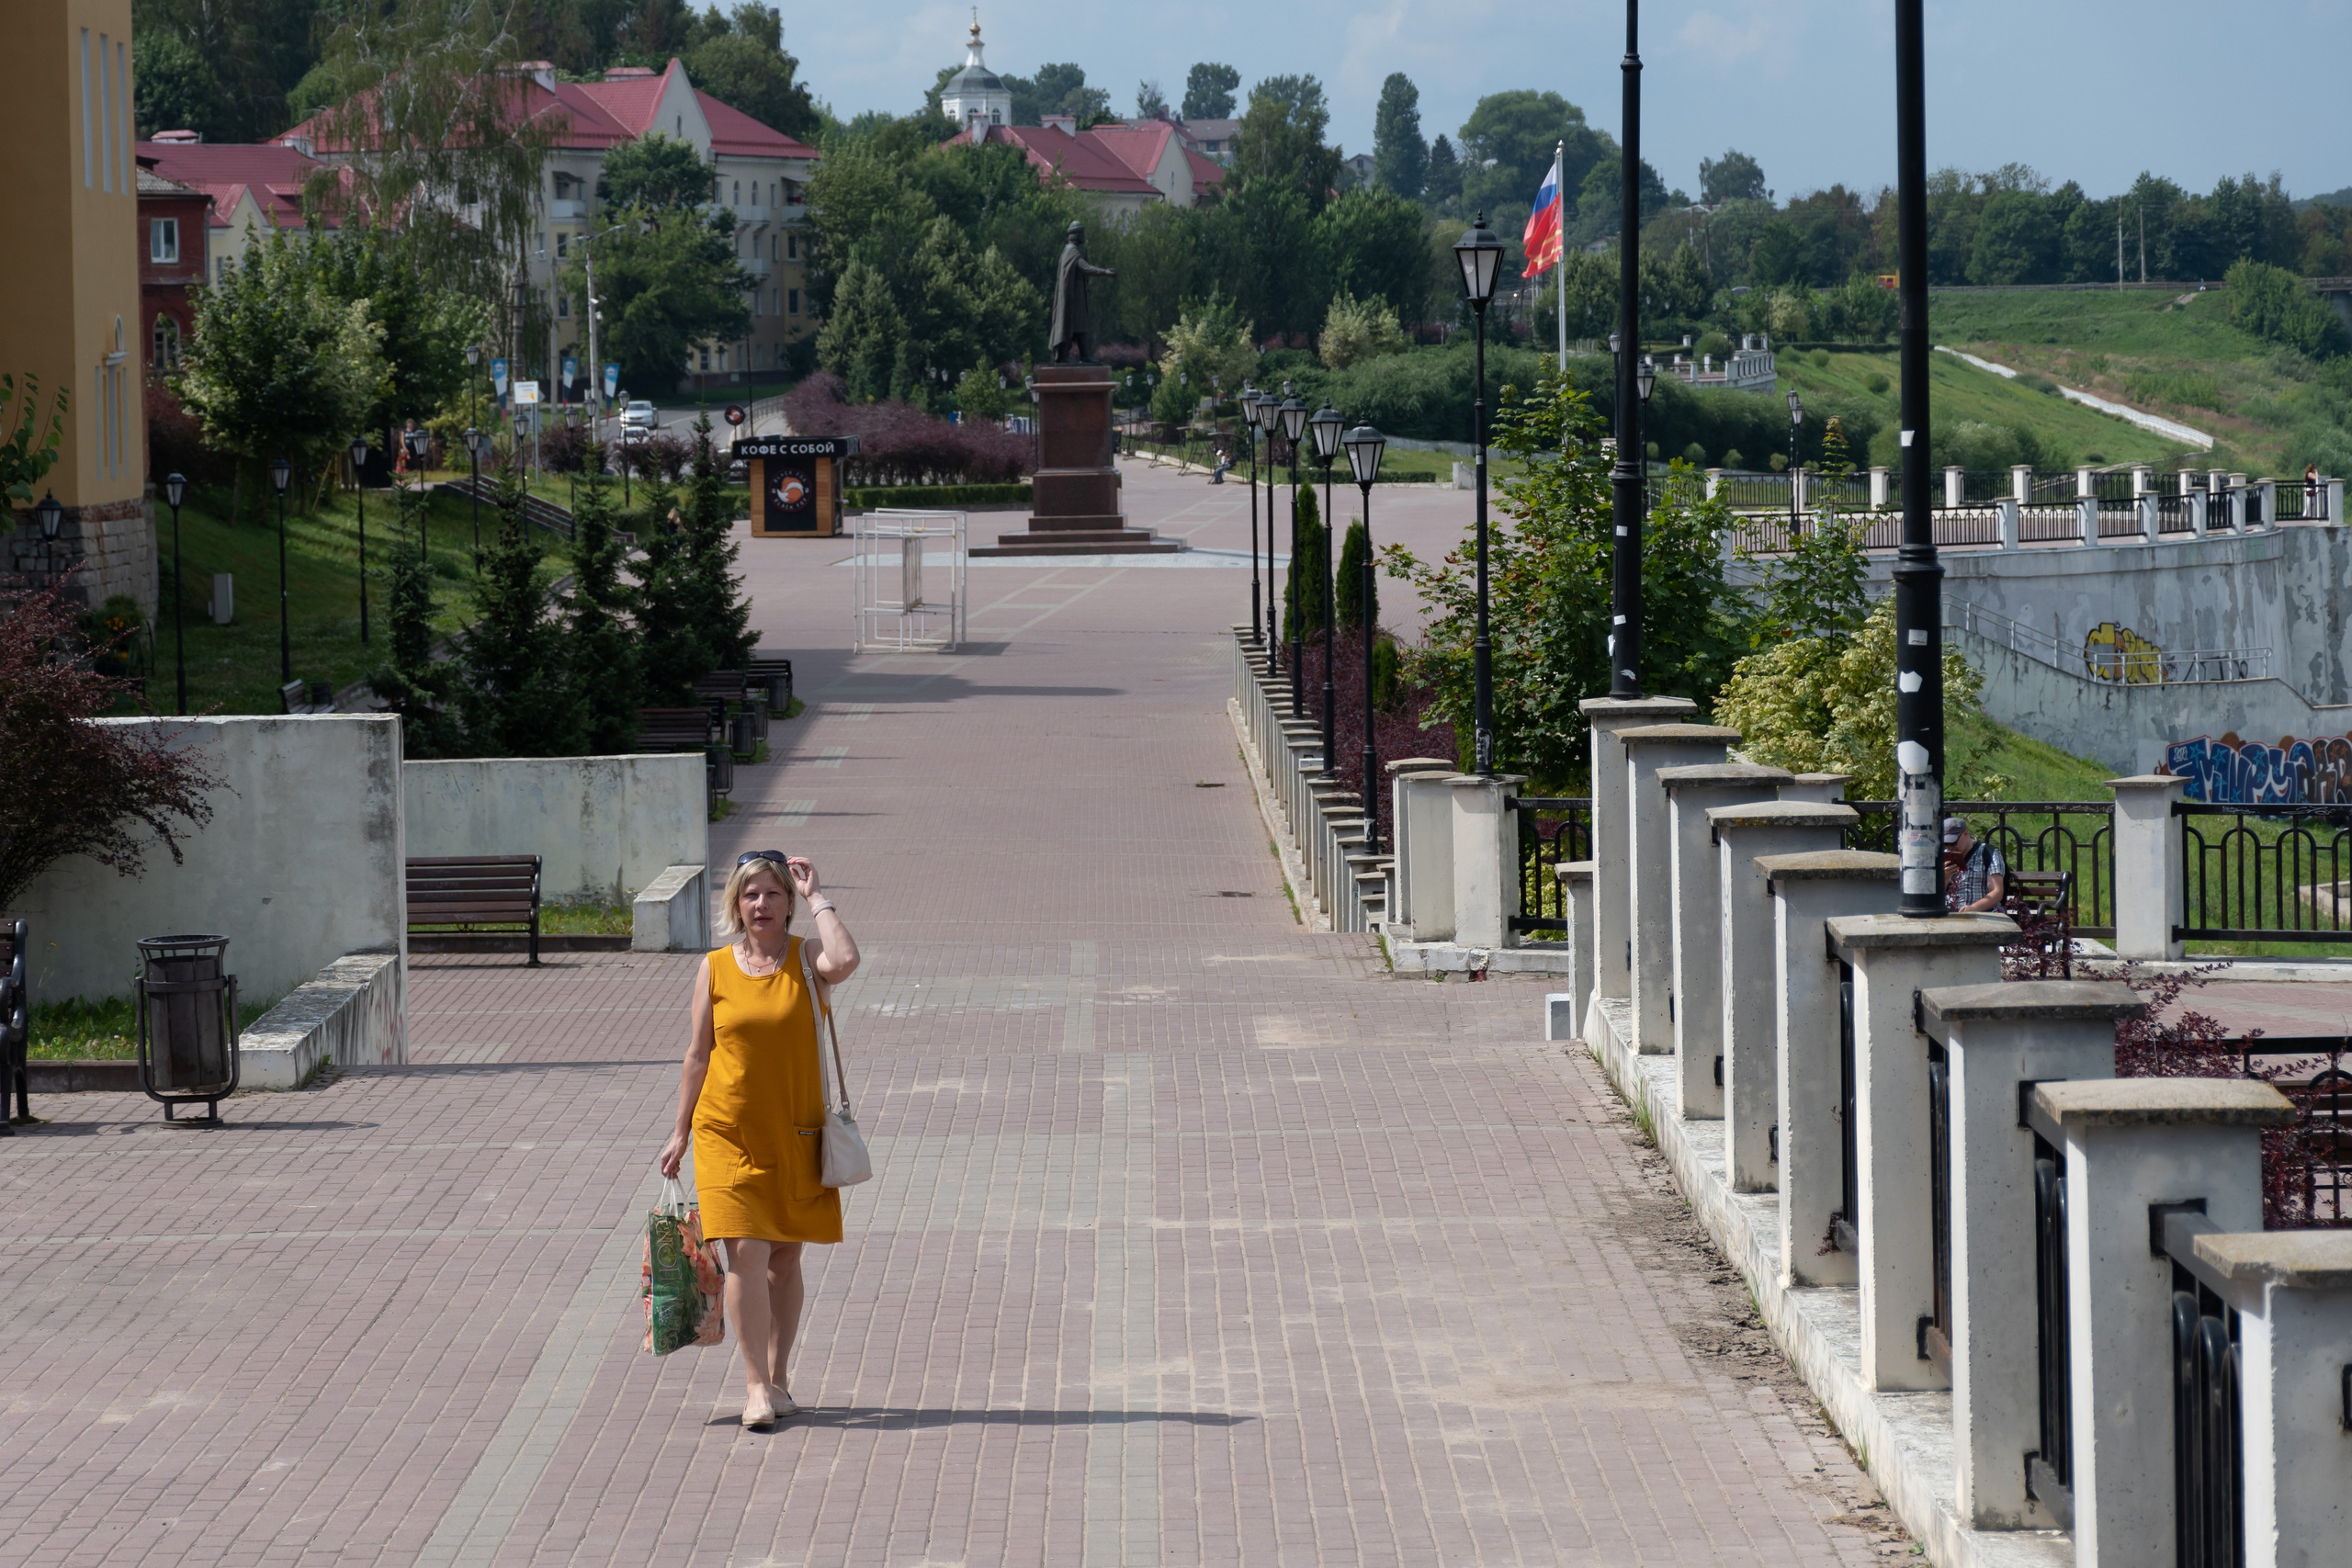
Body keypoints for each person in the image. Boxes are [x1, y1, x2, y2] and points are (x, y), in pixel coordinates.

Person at [659, 850, 861, 1427]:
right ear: (736, 906)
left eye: (773, 894)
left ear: (788, 904)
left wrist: (819, 894)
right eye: (751, 895)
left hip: (794, 1132)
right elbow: (698, 1055)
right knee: (744, 1253)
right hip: (725, 1132)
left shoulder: (806, 959)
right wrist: (679, 1133)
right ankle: (754, 1388)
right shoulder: (715, 967)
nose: (761, 904)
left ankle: (778, 1377)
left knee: (784, 1261)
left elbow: (846, 959)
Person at [1942, 817, 2006, 913]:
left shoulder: (1988, 853)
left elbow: (1997, 892)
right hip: (1952, 915)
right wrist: (1945, 878)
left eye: (1953, 842)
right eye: (1946, 844)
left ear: (1966, 833)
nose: (1950, 847)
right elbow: (1935, 895)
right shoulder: (1944, 855)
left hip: (1984, 914)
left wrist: (1974, 908)